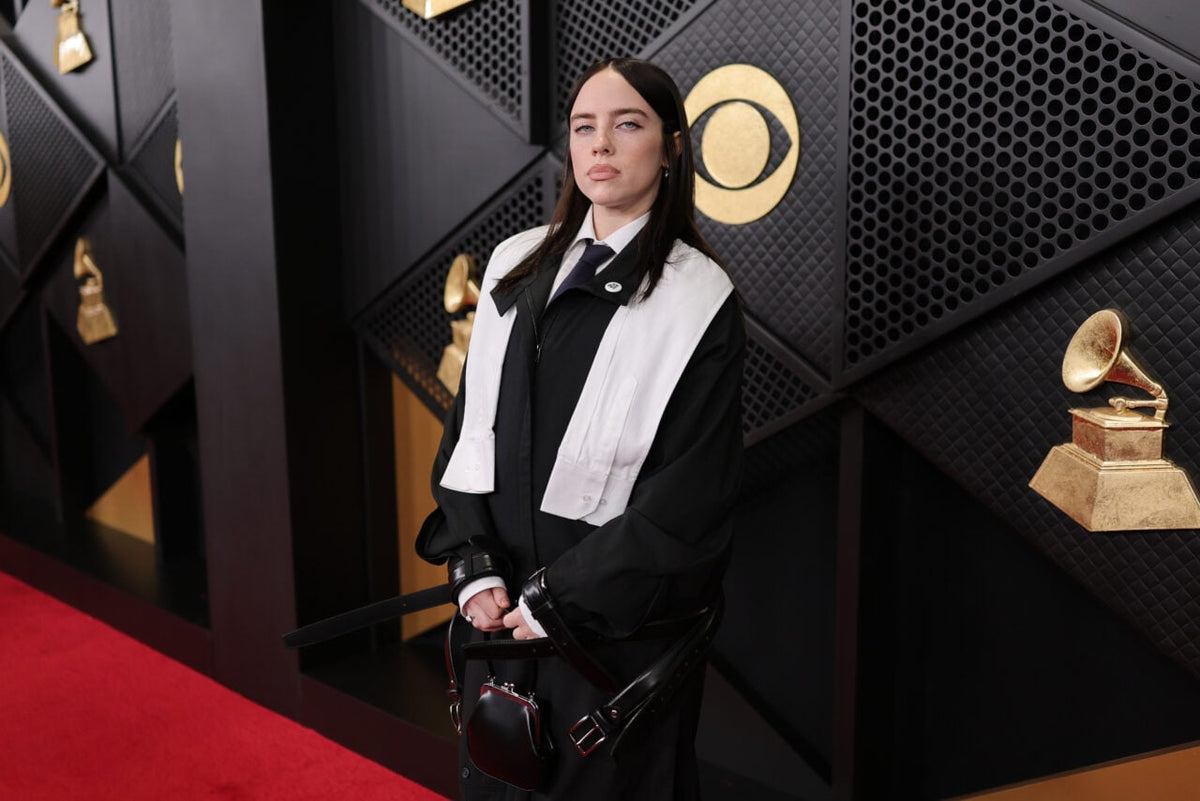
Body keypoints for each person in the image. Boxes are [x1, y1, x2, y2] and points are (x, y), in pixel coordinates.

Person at [416, 57, 744, 801]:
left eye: (627, 125)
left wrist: (559, 600)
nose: (600, 145)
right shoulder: (515, 266)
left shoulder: (699, 300)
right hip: (499, 624)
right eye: (584, 127)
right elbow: (466, 437)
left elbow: (690, 499)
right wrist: (474, 568)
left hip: (609, 639)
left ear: (671, 145)